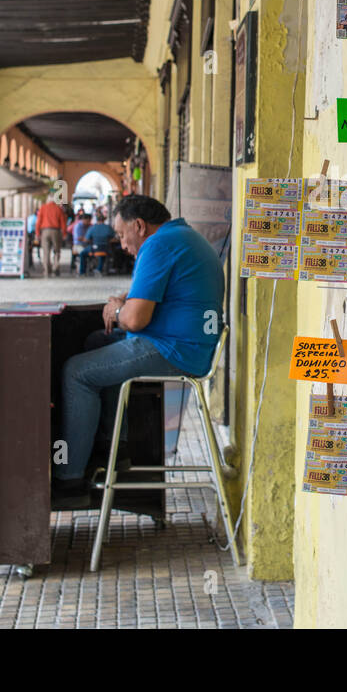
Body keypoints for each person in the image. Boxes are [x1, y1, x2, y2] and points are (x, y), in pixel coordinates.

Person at [51, 195, 224, 507]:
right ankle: (113, 446)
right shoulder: (181, 237)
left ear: (140, 226)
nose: (121, 243)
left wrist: (118, 311)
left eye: (121, 234)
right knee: (95, 343)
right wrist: (124, 305)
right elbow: (142, 299)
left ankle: (70, 479)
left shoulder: (158, 246)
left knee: (76, 372)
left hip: (174, 350)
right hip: (190, 344)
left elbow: (133, 319)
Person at [35, 193, 66, 277]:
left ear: (48, 199)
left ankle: (46, 270)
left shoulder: (43, 208)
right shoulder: (58, 209)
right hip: (56, 231)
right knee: (57, 250)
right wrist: (64, 233)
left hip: (45, 231)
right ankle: (55, 267)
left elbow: (38, 222)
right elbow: (63, 222)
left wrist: (37, 233)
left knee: (46, 251)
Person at [26, 207, 38, 272]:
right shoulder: (35, 218)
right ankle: (30, 262)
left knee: (30, 248)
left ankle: (30, 262)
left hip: (28, 233)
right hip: (31, 234)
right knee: (30, 248)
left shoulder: (31, 217)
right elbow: (36, 226)